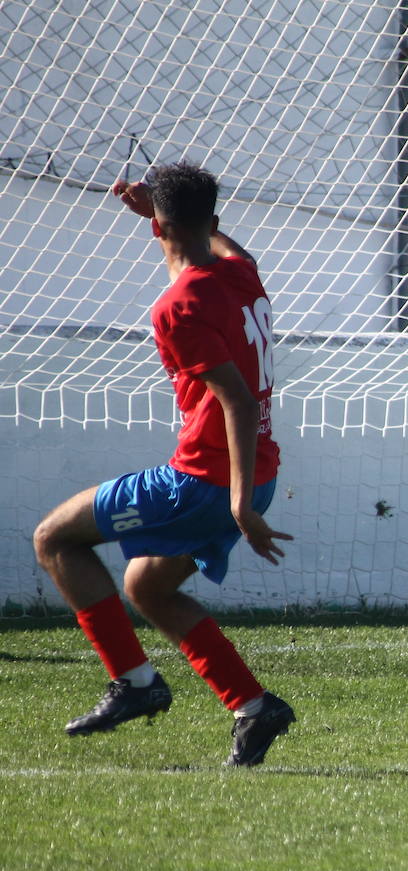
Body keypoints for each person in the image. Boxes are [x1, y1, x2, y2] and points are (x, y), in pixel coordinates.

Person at [32, 162, 296, 767]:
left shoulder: (177, 304)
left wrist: (231, 501)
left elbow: (234, 396)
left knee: (54, 539)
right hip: (260, 474)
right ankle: (255, 709)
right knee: (145, 584)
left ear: (158, 226)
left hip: (203, 482)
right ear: (214, 222)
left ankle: (135, 683)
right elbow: (226, 248)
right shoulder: (241, 274)